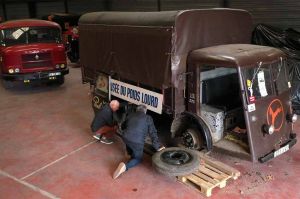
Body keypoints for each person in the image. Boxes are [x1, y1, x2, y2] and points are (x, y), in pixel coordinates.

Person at [113, 104, 164, 179]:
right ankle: (125, 166)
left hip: (125, 137)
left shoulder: (130, 115)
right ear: (145, 111)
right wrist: (157, 146)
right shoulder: (148, 118)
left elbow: (123, 126)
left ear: (137, 110)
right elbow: (153, 132)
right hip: (137, 141)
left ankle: (129, 153)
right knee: (138, 159)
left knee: (129, 138)